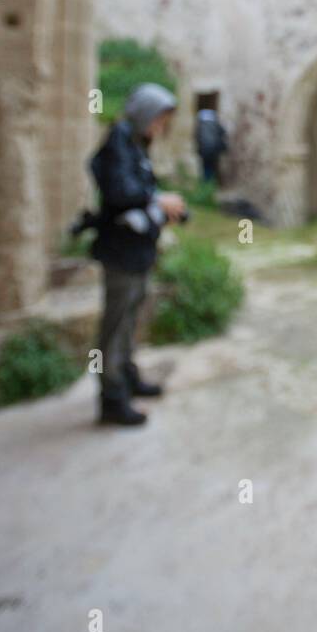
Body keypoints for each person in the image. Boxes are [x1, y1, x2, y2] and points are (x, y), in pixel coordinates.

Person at [90, 83, 187, 427]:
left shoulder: (134, 145)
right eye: (159, 119)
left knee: (129, 318)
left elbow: (139, 190)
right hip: (120, 250)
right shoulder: (119, 141)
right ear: (146, 113)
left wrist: (161, 203)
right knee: (114, 326)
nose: (160, 128)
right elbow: (119, 191)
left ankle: (126, 376)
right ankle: (110, 396)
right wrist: (157, 201)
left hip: (136, 250)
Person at [194, 107, 228, 183]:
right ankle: (210, 182)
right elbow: (223, 132)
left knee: (205, 166)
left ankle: (206, 183)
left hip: (204, 149)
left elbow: (197, 136)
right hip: (214, 149)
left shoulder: (201, 124)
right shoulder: (215, 122)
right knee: (212, 166)